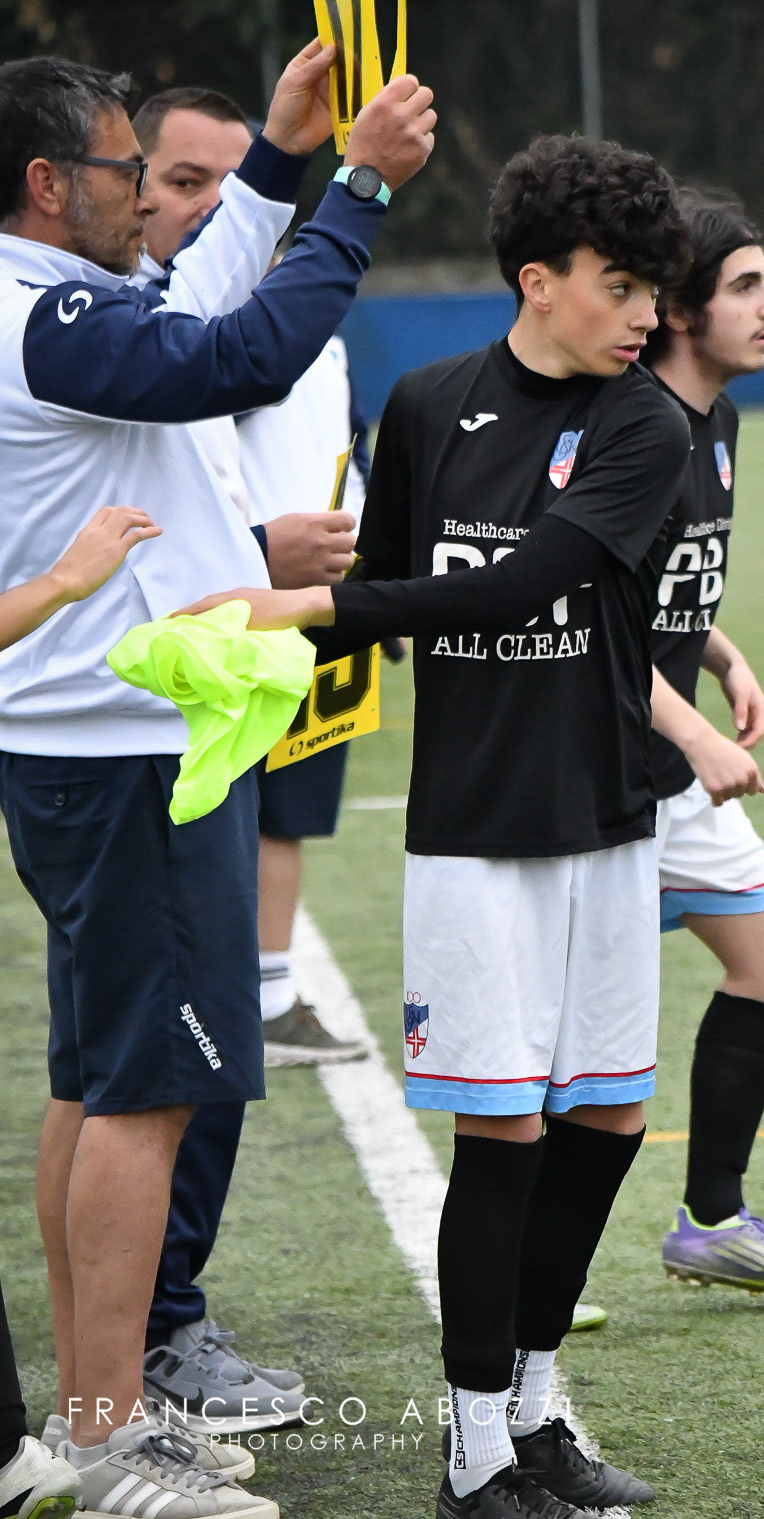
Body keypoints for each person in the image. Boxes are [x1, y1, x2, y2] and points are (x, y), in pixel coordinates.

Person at [182, 133, 709, 1519]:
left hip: (609, 817)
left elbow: (519, 584)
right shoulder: (427, 402)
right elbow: (399, 580)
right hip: (476, 830)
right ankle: (475, 1467)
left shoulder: (648, 424)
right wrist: (249, 624)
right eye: (618, 286)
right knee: (504, 1126)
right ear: (538, 279)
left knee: (606, 1116)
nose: (644, 314)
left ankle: (532, 1412)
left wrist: (306, 610)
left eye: (652, 290)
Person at [0, 42, 435, 1519]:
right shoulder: (50, 315)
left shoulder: (60, 300)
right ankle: (110, 1441)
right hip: (131, 752)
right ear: (47, 182)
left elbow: (192, 307)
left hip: (95, 744)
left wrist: (282, 162)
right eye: (128, 171)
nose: (147, 198)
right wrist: (362, 189)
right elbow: (239, 356)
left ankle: (91, 1411)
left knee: (96, 1081)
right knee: (148, 1091)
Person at [123, 86, 363, 1448]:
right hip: (156, 727)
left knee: (181, 1051)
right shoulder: (127, 329)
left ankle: (147, 1331)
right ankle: (153, 1341)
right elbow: (115, 527)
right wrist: (258, 557)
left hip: (248, 681)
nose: (214, 207)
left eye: (237, 180)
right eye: (180, 180)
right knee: (176, 1054)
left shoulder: (253, 315)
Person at [641, 194, 764, 1297]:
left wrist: (720, 654)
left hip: (673, 760)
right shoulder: (631, 428)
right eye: (746, 286)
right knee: (567, 1039)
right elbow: (583, 619)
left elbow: (662, 585)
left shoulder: (713, 418)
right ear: (680, 308)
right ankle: (522, 1268)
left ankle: (712, 1220)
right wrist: (688, 724)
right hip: (595, 771)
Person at [0, 507, 156, 1519]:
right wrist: (60, 583)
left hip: (59, 737)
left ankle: (50, 1434)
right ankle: (87, 1437)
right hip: (83, 735)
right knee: (126, 1085)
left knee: (90, 1075)